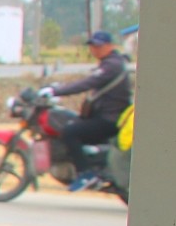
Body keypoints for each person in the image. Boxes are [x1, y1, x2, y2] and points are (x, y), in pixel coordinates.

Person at [41, 29, 133, 189]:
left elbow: (87, 83)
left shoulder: (111, 65)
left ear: (110, 46)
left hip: (109, 119)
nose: (95, 49)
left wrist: (56, 91)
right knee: (74, 124)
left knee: (70, 132)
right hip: (108, 116)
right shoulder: (111, 63)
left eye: (99, 46)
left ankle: (86, 173)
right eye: (92, 46)